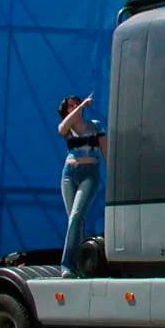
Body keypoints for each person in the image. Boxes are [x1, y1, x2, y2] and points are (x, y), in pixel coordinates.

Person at [58, 93, 107, 276]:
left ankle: (67, 265)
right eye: (71, 105)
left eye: (76, 103)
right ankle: (80, 266)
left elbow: (105, 151)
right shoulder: (67, 127)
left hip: (89, 174)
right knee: (75, 222)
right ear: (66, 111)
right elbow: (61, 129)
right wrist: (80, 107)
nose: (75, 106)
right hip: (69, 175)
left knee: (76, 217)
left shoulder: (95, 125)